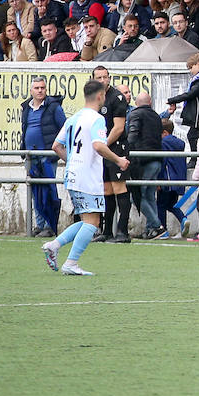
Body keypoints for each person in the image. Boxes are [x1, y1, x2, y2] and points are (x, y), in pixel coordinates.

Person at [41, 79, 130, 275]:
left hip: (72, 175)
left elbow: (56, 146)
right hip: (87, 177)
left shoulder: (73, 118)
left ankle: (54, 245)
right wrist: (118, 160)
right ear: (100, 96)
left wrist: (72, 160)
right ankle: (71, 263)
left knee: (86, 219)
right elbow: (99, 145)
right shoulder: (97, 119)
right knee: (93, 222)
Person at [20, 76, 65, 237]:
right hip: (31, 157)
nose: (40, 91)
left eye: (42, 88)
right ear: (31, 90)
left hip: (47, 156)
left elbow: (64, 128)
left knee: (49, 191)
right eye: (37, 88)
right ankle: (39, 224)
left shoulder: (53, 107)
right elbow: (25, 129)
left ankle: (50, 225)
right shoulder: (26, 107)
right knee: (35, 192)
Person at [89, 65, 130, 243]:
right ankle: (107, 231)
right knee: (106, 190)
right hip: (102, 150)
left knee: (119, 188)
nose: (103, 80)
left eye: (105, 77)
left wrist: (103, 145)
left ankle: (123, 231)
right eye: (99, 78)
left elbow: (119, 127)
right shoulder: (94, 98)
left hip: (116, 148)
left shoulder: (117, 97)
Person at [125, 92, 164, 239]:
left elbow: (132, 135)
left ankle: (156, 225)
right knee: (149, 196)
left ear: (136, 103)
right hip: (157, 159)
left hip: (142, 161)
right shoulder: (156, 116)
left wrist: (126, 151)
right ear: (150, 102)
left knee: (137, 196)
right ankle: (151, 229)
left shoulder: (135, 114)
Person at [167, 53, 199, 151]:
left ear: (198, 65)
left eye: (191, 67)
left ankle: (195, 158)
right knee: (198, 136)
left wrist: (173, 100)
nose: (191, 71)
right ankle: (198, 158)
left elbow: (190, 94)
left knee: (193, 136)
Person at [156, 117, 189, 240]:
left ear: (165, 132)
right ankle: (183, 218)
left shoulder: (163, 143)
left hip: (167, 179)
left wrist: (158, 180)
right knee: (172, 205)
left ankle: (163, 230)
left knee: (160, 205)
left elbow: (162, 162)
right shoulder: (180, 143)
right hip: (178, 180)